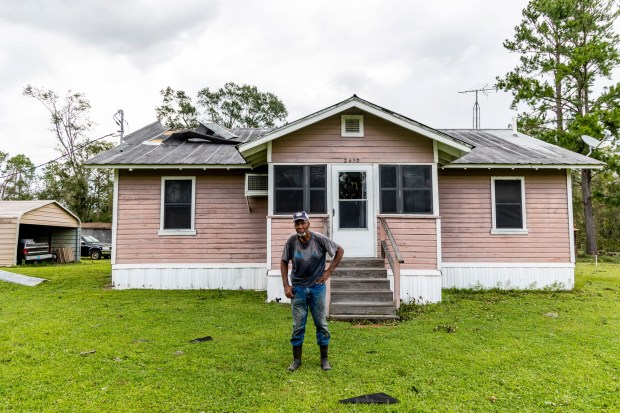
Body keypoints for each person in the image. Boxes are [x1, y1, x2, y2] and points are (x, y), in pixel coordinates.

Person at [281, 211, 344, 371]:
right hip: (298, 289)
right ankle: (296, 360)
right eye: (297, 223)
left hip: (317, 288)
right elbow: (283, 261)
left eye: (303, 223)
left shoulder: (319, 239)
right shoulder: (291, 241)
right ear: (294, 225)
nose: (300, 226)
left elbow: (339, 251)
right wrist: (286, 286)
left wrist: (328, 272)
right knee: (298, 325)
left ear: (308, 223)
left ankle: (324, 359)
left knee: (321, 323)